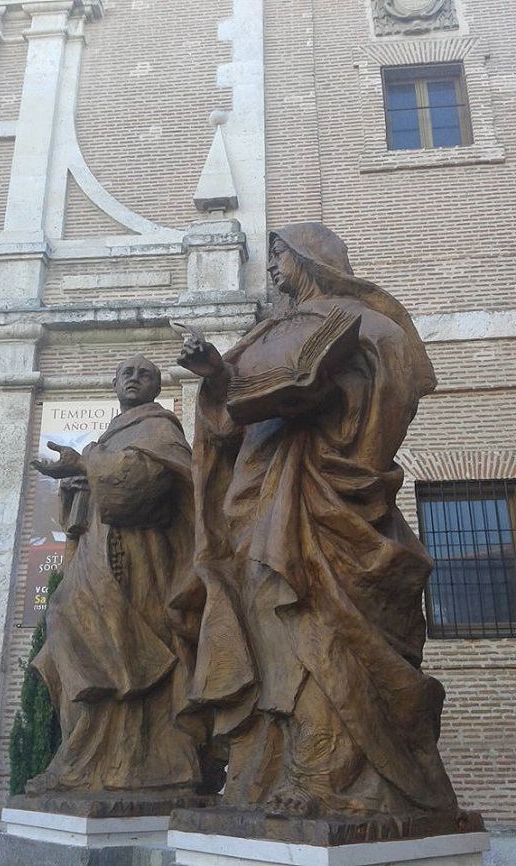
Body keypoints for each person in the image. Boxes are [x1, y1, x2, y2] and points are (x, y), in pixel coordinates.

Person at [178, 223, 458, 822]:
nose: (273, 266)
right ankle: (269, 764)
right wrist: (214, 376)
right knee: (271, 625)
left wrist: (333, 393)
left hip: (328, 495)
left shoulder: (366, 324)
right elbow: (226, 424)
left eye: (281, 255)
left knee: (321, 624)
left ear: (312, 259)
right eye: (272, 256)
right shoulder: (267, 331)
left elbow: (397, 391)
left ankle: (323, 773)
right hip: (260, 497)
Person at [29, 355, 206, 794]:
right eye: (126, 372)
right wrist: (76, 487)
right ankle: (90, 756)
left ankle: (140, 764)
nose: (134, 378)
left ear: (156, 386)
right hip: (97, 556)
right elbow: (98, 496)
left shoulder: (161, 428)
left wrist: (87, 464)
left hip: (140, 563)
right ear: (113, 382)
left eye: (144, 373)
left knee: (125, 649)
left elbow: (147, 483)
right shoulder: (112, 434)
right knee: (68, 627)